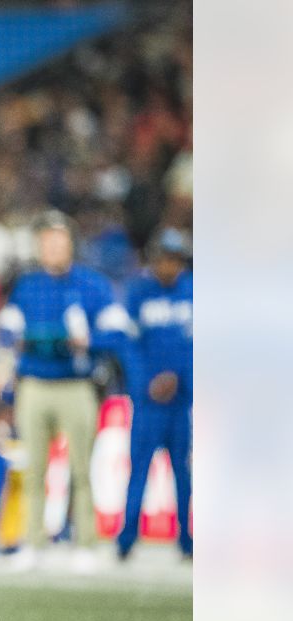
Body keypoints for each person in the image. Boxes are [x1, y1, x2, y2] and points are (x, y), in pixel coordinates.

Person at [0, 210, 127, 572]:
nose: (53, 247)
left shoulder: (93, 285)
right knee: (34, 469)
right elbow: (7, 329)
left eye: (59, 240)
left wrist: (90, 341)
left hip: (76, 384)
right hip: (35, 384)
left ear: (71, 244)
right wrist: (17, 341)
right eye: (47, 241)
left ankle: (85, 542)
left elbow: (117, 332)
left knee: (81, 469)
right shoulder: (27, 285)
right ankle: (33, 542)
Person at [117, 228, 193, 560]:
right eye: (163, 258)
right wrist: (145, 383)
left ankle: (187, 539)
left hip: (181, 402)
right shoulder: (138, 293)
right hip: (149, 403)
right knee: (139, 468)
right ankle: (126, 537)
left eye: (174, 259)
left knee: (183, 471)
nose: (168, 265)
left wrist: (181, 378)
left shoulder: (194, 292)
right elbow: (128, 347)